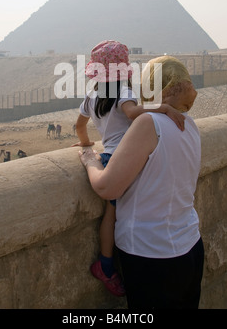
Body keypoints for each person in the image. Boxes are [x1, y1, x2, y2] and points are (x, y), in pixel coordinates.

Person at [79, 55, 204, 309]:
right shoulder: (190, 126)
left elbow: (106, 187)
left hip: (152, 256)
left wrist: (90, 161)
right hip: (190, 248)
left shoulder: (149, 123)